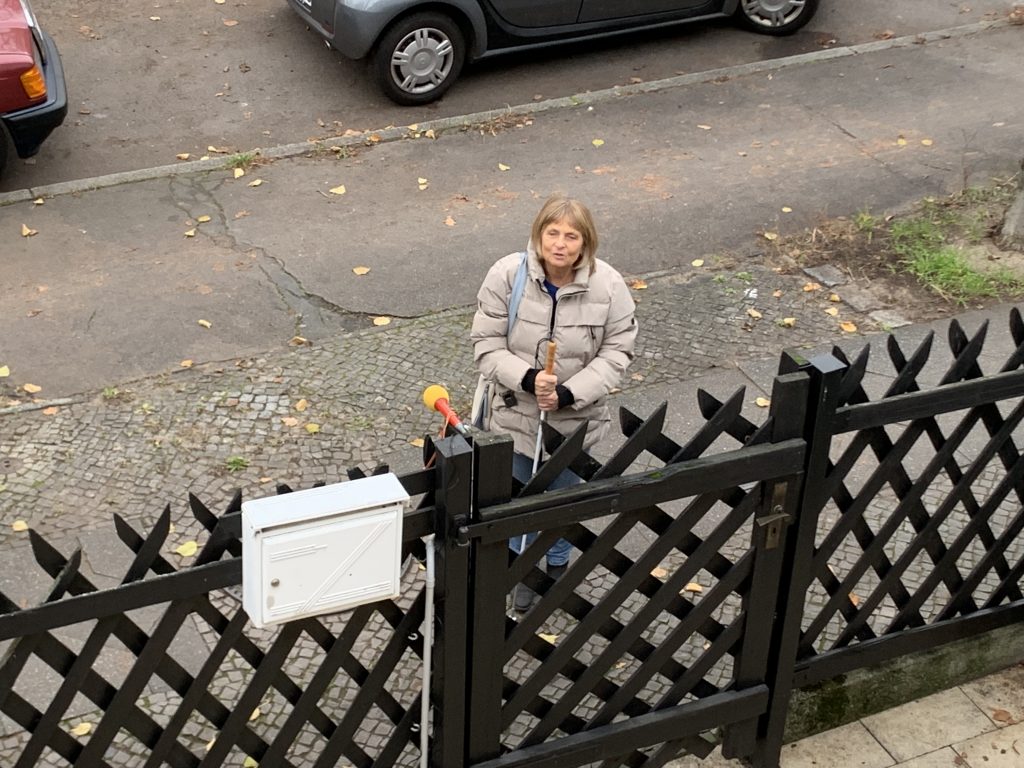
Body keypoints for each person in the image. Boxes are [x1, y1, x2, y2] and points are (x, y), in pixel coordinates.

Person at [471, 195, 638, 611]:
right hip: (514, 413)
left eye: (571, 236)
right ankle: (519, 570)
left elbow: (617, 352)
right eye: (552, 233)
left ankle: (557, 566)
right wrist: (527, 379)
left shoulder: (610, 286)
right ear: (539, 234)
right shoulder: (507, 275)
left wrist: (568, 393)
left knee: (562, 501)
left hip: (574, 421)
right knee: (514, 499)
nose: (560, 244)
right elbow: (486, 345)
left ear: (585, 243)